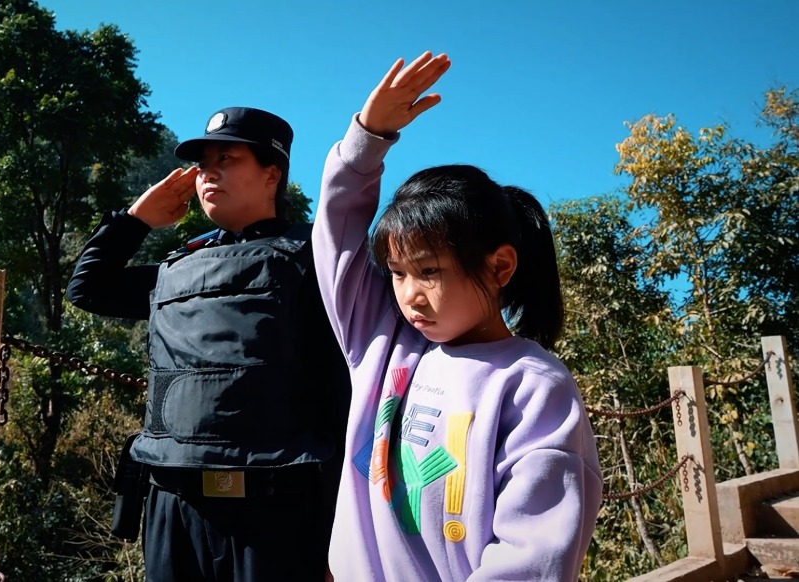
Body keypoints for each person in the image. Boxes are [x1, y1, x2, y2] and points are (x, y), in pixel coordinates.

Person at [312, 51, 603, 581]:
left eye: (429, 271)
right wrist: (368, 138)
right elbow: (337, 236)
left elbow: (532, 555)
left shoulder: (534, 387)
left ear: (500, 266)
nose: (410, 295)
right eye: (397, 274)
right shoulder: (381, 347)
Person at [67, 106, 351, 582]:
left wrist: (342, 528)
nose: (208, 174)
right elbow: (88, 287)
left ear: (272, 173)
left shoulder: (316, 259)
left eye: (227, 158)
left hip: (278, 509)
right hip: (171, 501)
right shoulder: (178, 265)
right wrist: (136, 220)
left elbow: (343, 394)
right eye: (202, 165)